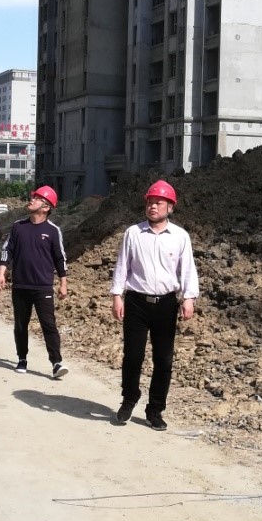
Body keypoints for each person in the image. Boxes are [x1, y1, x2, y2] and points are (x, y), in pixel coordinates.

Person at [110, 180, 199, 431]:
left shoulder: (180, 237)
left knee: (163, 359)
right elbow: (122, 266)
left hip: (166, 304)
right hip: (137, 302)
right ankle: (129, 399)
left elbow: (187, 269)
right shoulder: (133, 233)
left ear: (170, 207)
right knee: (133, 356)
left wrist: (189, 298)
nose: (153, 206)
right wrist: (117, 295)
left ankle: (155, 409)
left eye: (159, 203)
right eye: (150, 202)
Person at [0, 185, 69, 378]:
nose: (32, 200)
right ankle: (22, 358)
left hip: (43, 287)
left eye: (37, 198)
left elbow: (60, 258)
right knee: (21, 325)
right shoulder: (18, 226)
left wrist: (63, 283)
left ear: (46, 207)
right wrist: (2, 272)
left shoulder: (53, 231)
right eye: (33, 197)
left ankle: (56, 363)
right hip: (20, 285)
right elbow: (7, 249)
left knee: (49, 325)